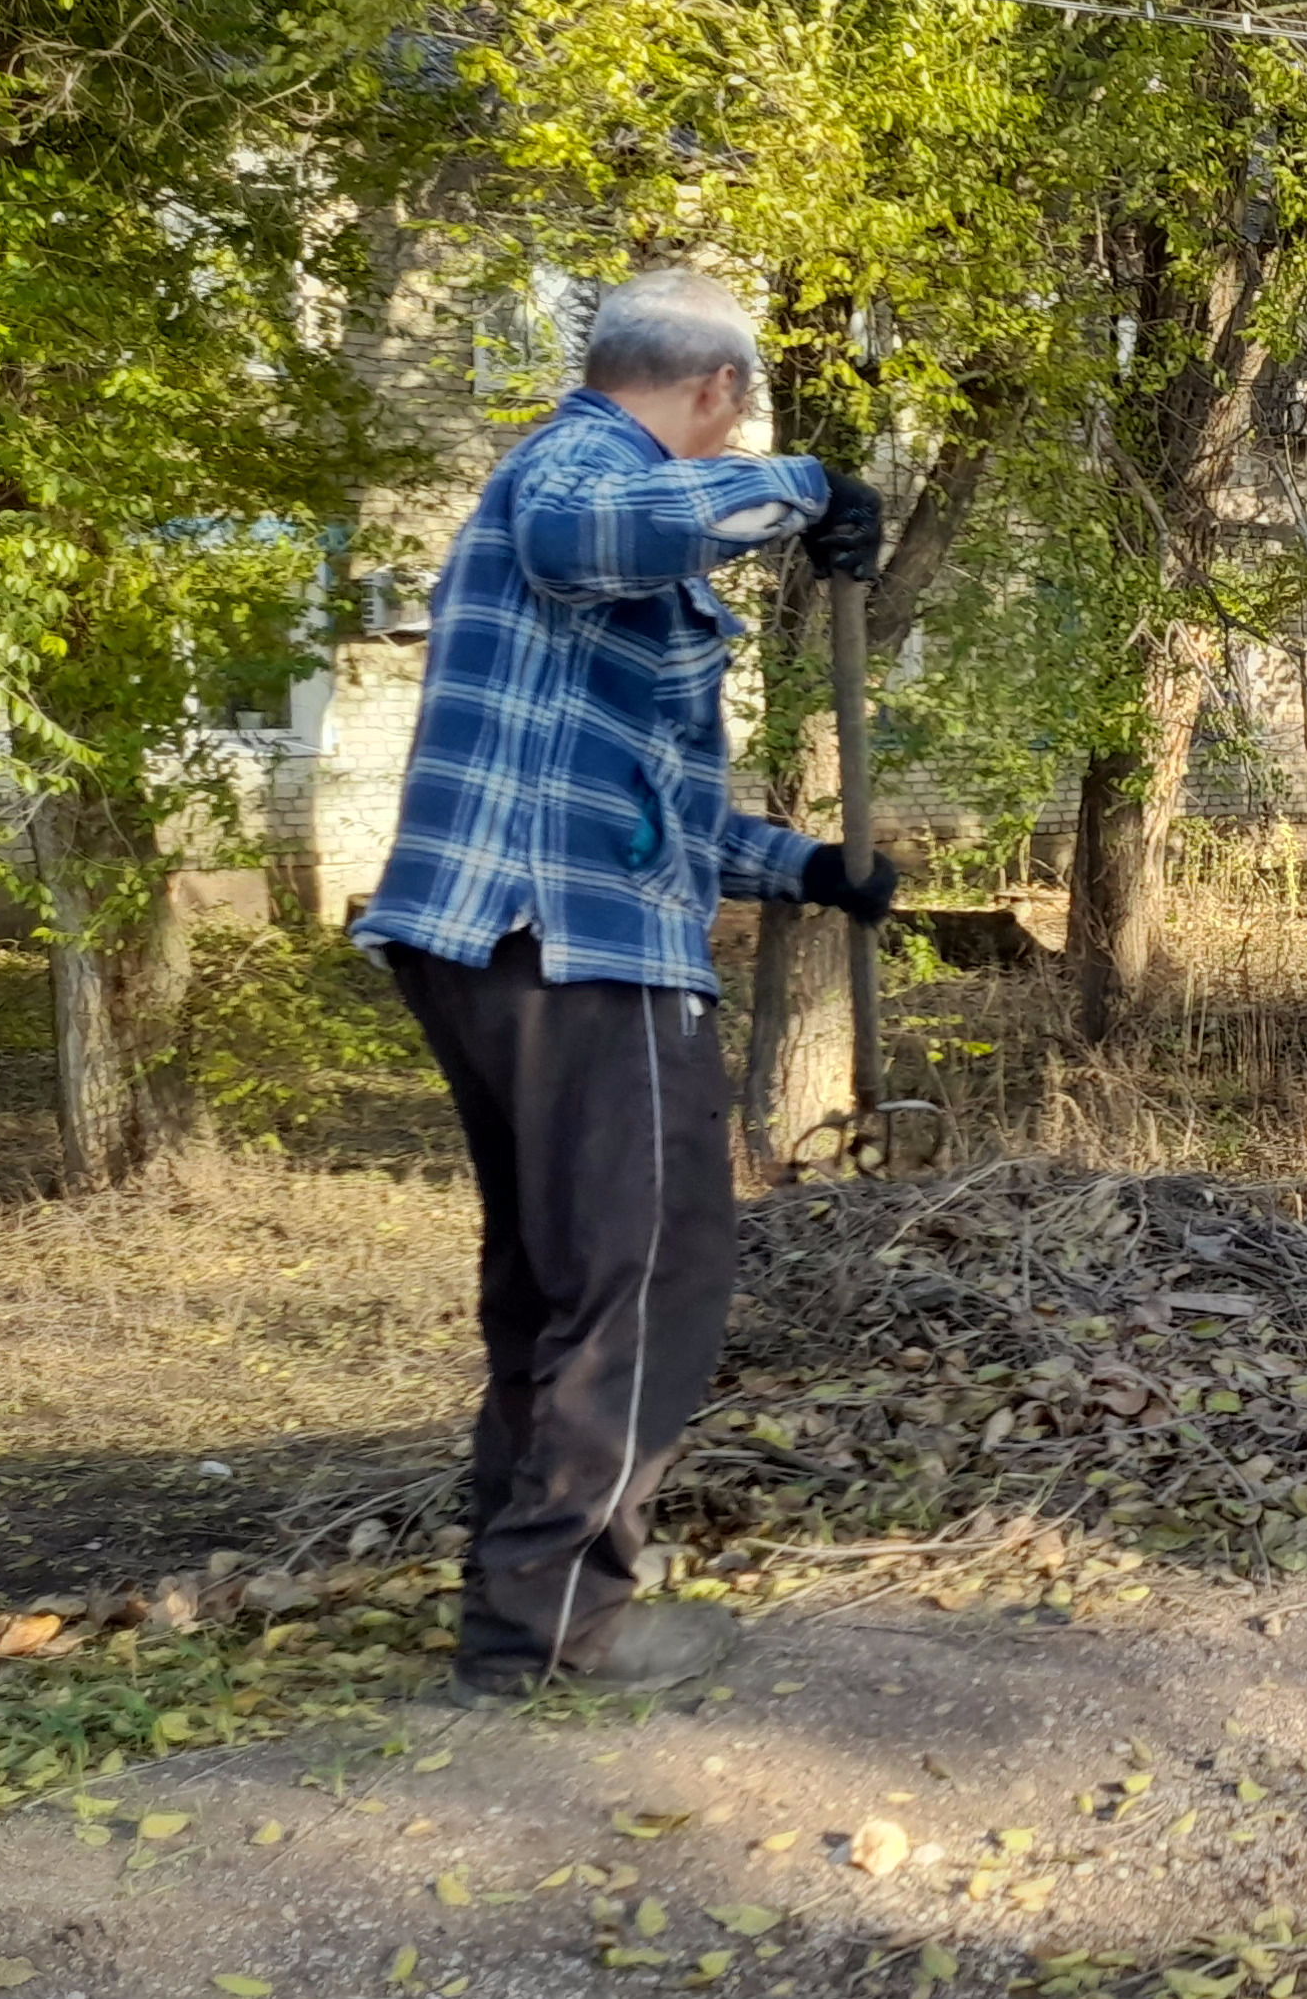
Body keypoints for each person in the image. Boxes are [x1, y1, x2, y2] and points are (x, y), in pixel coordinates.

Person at [354, 269, 899, 1704]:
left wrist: (807, 869)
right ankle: (563, 1625)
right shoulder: (584, 470)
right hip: (577, 948)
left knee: (558, 1280)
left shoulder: (597, 531)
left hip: (521, 930)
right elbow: (598, 528)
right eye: (737, 425)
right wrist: (807, 485)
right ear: (712, 389)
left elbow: (652, 801)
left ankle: (516, 1602)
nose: (730, 454)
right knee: (647, 1277)